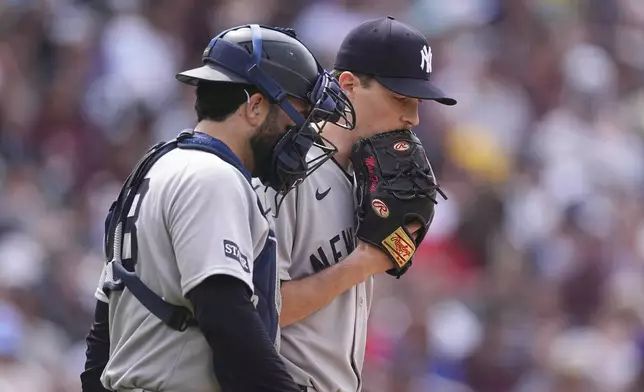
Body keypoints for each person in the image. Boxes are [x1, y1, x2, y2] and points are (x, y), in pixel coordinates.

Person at [80, 24, 355, 392]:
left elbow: (101, 342)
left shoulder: (156, 167)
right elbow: (225, 318)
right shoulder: (212, 177)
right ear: (256, 107)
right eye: (298, 118)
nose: (303, 137)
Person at [253, 16, 456, 392]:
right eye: (400, 98)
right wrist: (365, 262)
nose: (412, 118)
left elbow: (382, 256)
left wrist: (392, 247)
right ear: (348, 84)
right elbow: (257, 312)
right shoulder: (286, 174)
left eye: (418, 102)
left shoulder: (368, 177)